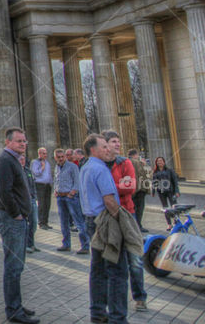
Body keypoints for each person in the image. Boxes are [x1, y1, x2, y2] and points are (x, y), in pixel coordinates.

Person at [79, 134, 128, 324]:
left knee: (98, 269)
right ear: (94, 149)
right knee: (117, 272)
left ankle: (97, 312)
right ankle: (118, 317)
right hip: (106, 223)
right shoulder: (100, 169)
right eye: (104, 146)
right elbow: (109, 201)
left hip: (91, 221)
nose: (108, 149)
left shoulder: (85, 167)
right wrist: (122, 224)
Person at [0, 127, 38, 324]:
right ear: (8, 142)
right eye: (19, 141)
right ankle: (12, 310)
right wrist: (16, 214)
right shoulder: (5, 161)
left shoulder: (13, 160)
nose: (23, 144)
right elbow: (3, 191)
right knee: (13, 266)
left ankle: (16, 305)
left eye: (24, 141)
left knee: (17, 266)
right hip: (11, 219)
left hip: (16, 219)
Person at [102, 130, 146, 312]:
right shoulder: (99, 164)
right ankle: (111, 301)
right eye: (114, 141)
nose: (118, 144)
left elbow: (130, 188)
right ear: (105, 145)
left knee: (134, 258)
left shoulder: (125, 162)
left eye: (118, 141)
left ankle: (140, 297)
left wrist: (107, 189)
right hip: (107, 217)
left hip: (127, 214)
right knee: (110, 260)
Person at [53, 148, 89, 254]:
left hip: (71, 197)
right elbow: (56, 179)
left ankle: (85, 246)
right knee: (63, 222)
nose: (60, 159)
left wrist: (72, 193)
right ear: (55, 158)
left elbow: (77, 181)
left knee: (78, 221)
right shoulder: (56, 167)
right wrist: (55, 189)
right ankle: (66, 244)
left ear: (65, 156)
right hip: (60, 197)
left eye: (62, 157)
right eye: (58, 157)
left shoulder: (73, 166)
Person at [19, 155, 39, 253]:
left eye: (23, 159)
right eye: (20, 159)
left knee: (34, 223)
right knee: (24, 225)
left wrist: (34, 196)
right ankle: (26, 245)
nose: (22, 161)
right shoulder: (16, 172)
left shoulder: (28, 171)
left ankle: (31, 243)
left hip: (31, 200)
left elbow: (33, 184)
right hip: (22, 201)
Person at [151, 156, 179, 226]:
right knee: (165, 208)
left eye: (161, 161)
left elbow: (175, 181)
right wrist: (153, 191)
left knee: (174, 206)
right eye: (158, 161)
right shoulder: (155, 172)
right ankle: (169, 224)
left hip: (170, 191)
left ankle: (176, 221)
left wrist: (177, 191)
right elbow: (154, 182)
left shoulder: (170, 170)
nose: (159, 162)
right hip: (161, 192)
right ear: (156, 163)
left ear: (164, 162)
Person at [128, 149, 149, 232]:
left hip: (129, 188)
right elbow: (144, 174)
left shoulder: (125, 162)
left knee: (132, 208)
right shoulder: (137, 163)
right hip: (139, 189)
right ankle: (138, 225)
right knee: (139, 208)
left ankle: (133, 225)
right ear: (135, 155)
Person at [31, 147, 52, 230]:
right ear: (39, 153)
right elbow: (36, 173)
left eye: (46, 153)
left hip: (47, 185)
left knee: (47, 204)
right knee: (42, 204)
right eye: (43, 153)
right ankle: (41, 222)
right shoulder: (35, 162)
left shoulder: (47, 162)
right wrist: (42, 167)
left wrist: (50, 183)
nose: (45, 155)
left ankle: (46, 222)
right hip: (40, 185)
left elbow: (49, 174)